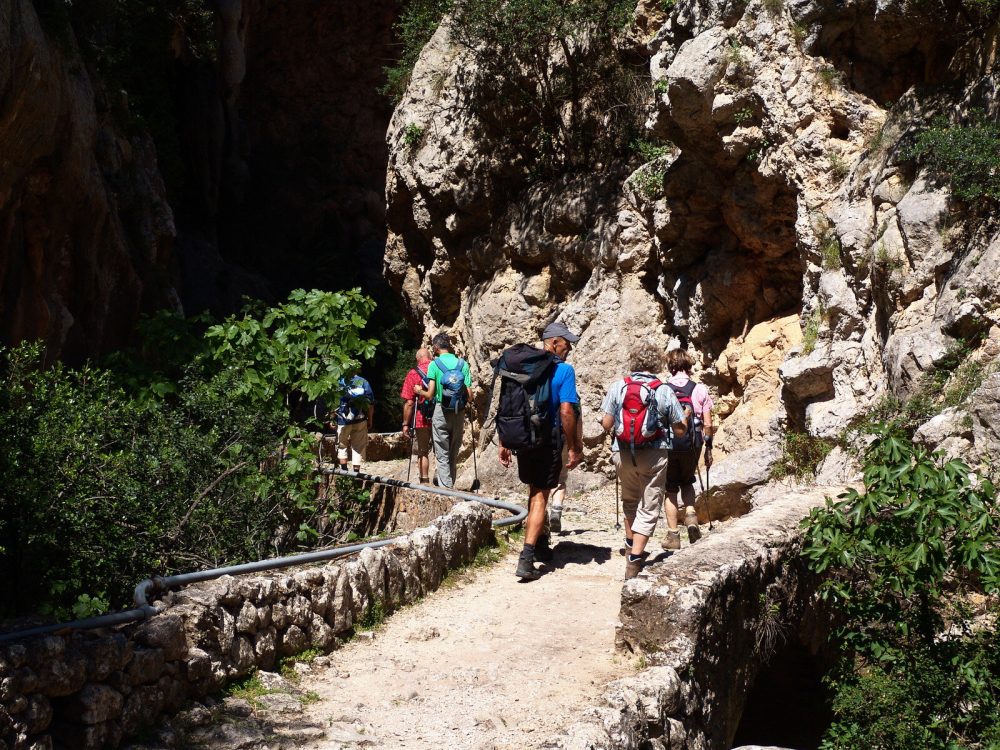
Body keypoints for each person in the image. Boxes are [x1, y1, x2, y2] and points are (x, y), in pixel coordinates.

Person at [499, 321, 583, 581]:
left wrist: (504, 441)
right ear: (554, 342)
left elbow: (506, 405)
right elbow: (567, 411)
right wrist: (575, 446)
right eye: (566, 343)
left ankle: (541, 542)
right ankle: (526, 558)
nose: (569, 349)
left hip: (523, 438)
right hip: (548, 440)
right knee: (539, 496)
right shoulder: (564, 371)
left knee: (534, 490)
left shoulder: (521, 368)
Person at [600, 343, 688, 579]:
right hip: (654, 454)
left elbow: (606, 424)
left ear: (634, 362)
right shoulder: (663, 390)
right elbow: (680, 430)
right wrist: (685, 418)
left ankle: (630, 545)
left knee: (630, 500)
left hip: (623, 453)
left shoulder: (619, 386)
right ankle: (635, 560)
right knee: (649, 506)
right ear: (657, 363)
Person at [665, 348, 715, 546]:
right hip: (692, 444)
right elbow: (708, 424)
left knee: (670, 488)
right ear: (688, 365)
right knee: (687, 481)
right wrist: (708, 448)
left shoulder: (663, 389)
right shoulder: (699, 389)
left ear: (670, 366)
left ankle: (673, 536)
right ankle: (691, 516)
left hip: (669, 444)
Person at [414, 332, 471, 489]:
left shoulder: (434, 365)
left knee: (442, 451)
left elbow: (430, 394)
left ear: (436, 347)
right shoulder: (463, 364)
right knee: (453, 450)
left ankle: (446, 488)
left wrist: (419, 391)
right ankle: (451, 485)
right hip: (459, 411)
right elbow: (470, 395)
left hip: (441, 411)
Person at [400, 348, 435, 484]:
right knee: (442, 450)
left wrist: (405, 424)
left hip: (421, 417)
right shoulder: (438, 369)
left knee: (423, 451)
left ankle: (424, 480)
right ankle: (444, 481)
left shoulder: (413, 373)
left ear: (417, 358)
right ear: (430, 356)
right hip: (440, 415)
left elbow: (409, 403)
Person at [336, 374, 375, 472]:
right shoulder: (363, 381)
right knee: (358, 446)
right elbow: (370, 403)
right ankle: (356, 474)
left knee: (342, 445)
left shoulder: (339, 381)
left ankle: (344, 471)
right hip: (360, 419)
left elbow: (333, 402)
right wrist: (370, 419)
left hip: (343, 420)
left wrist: (332, 419)